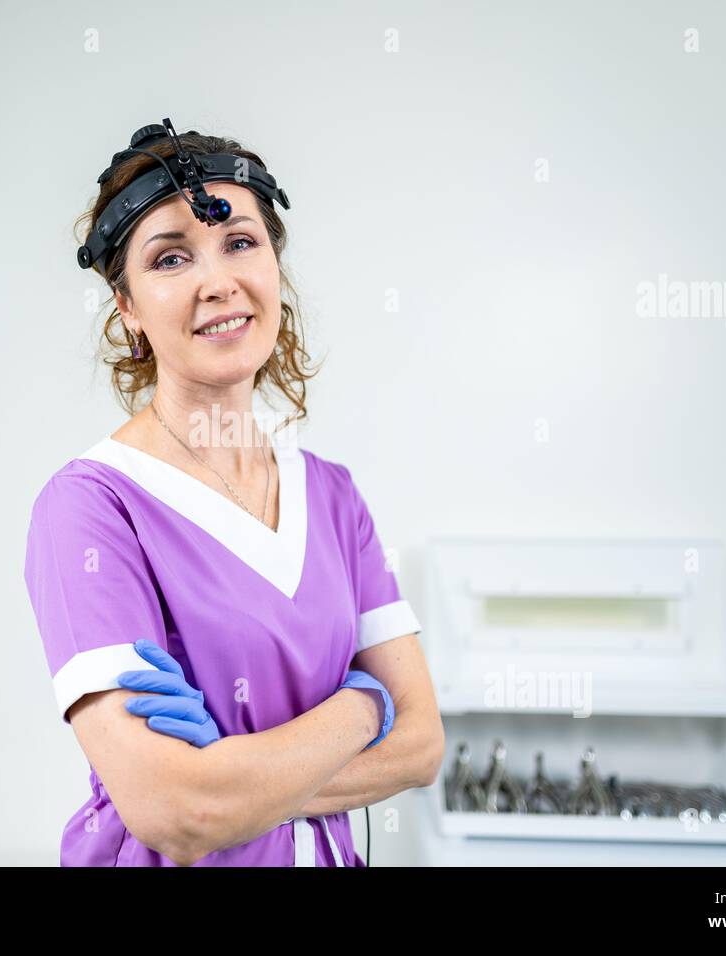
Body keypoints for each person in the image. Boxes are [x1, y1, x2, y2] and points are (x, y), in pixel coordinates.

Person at [24, 121, 444, 866]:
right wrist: (363, 705)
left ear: (275, 265)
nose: (217, 281)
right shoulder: (92, 509)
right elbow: (175, 812)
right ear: (127, 309)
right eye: (171, 258)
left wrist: (232, 774)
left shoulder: (332, 496)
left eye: (240, 242)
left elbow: (420, 746)